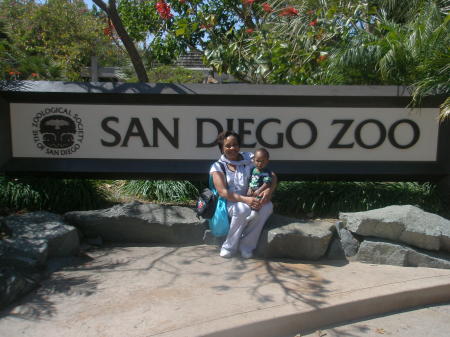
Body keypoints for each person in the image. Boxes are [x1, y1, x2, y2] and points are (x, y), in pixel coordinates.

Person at [210, 131, 276, 259]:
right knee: (243, 209)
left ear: (239, 146)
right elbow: (223, 192)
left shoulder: (250, 159)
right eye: (228, 146)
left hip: (252, 198)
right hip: (229, 202)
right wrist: (246, 200)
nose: (232, 148)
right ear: (222, 148)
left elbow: (272, 175)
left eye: (235, 145)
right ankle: (229, 246)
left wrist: (269, 190)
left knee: (267, 207)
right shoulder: (218, 166)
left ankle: (246, 246)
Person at [246, 148, 272, 222]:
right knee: (249, 200)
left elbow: (267, 183)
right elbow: (250, 180)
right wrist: (249, 188)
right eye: (257, 161)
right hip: (252, 190)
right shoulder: (253, 170)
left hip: (260, 191)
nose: (260, 163)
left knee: (258, 201)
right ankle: (250, 213)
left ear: (267, 161)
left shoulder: (266, 172)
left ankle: (254, 213)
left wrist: (259, 190)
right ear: (253, 160)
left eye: (263, 161)